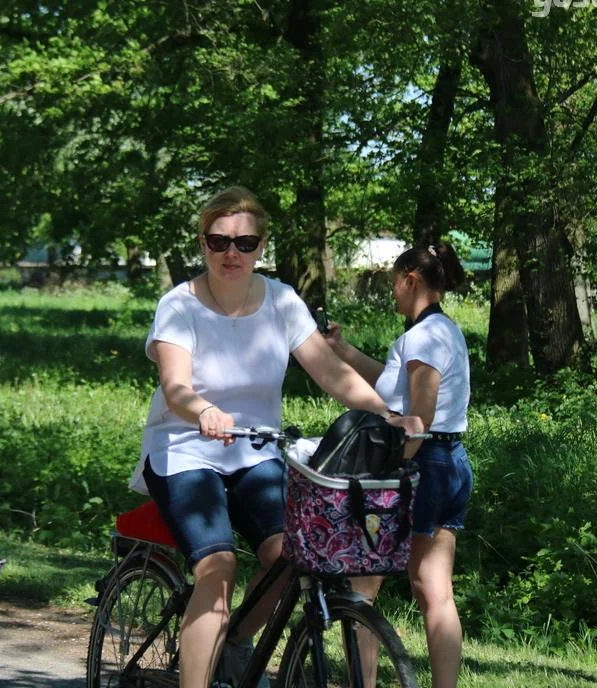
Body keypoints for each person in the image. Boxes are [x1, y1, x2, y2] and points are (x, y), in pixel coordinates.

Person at [129, 186, 423, 688]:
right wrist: (203, 409)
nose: (231, 253)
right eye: (219, 241)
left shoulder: (282, 301)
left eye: (245, 243)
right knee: (219, 568)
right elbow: (175, 387)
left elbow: (332, 373)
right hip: (184, 451)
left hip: (256, 451)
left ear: (261, 247)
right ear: (202, 243)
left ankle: (235, 643)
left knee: (294, 556)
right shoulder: (179, 305)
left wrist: (387, 414)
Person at [324, 242, 472, 688]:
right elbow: (394, 387)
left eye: (393, 284)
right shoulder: (440, 330)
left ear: (411, 279)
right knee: (434, 589)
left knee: (362, 587)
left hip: (419, 464)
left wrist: (383, 479)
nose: (392, 294)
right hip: (449, 463)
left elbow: (417, 419)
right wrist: (342, 350)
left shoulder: (424, 336)